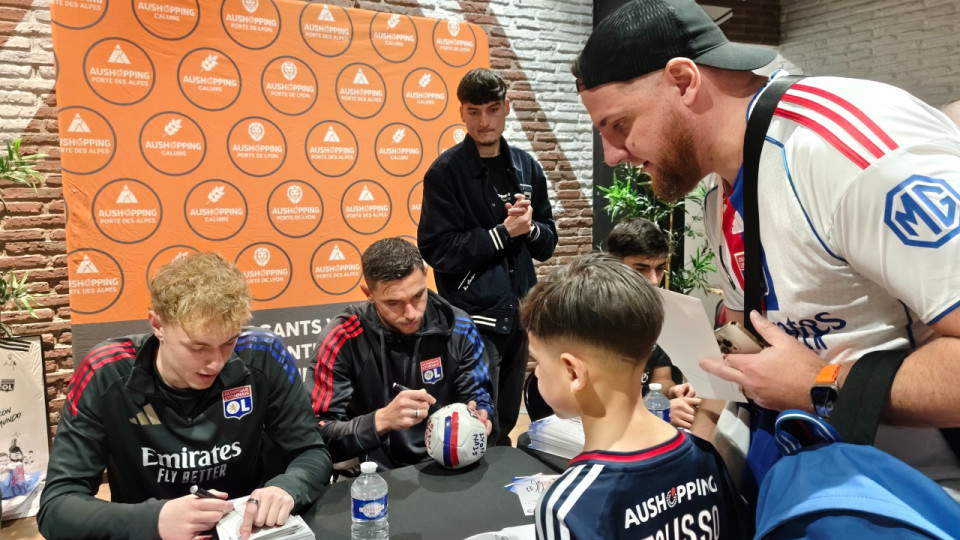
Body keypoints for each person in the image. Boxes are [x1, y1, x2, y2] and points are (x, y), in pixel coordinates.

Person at [573, 0, 960, 500]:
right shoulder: (723, 193)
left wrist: (824, 383)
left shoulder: (843, 154)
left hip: (917, 502)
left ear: (685, 80)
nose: (612, 155)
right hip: (816, 486)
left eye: (619, 125)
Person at [38, 252, 332, 540]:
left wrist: (286, 488)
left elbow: (311, 451)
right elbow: (57, 508)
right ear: (158, 326)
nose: (216, 362)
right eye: (198, 347)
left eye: (228, 342)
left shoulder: (263, 352)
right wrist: (154, 520)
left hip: (243, 531)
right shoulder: (104, 372)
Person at [522, 253, 753, 539]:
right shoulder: (706, 458)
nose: (538, 374)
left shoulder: (567, 507)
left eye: (538, 362)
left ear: (573, 372)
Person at [418, 67, 557, 445]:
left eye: (493, 109)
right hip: (472, 319)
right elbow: (437, 251)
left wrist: (530, 228)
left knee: (509, 415)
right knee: (477, 418)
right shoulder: (445, 173)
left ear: (507, 108)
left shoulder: (526, 165)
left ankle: (503, 486)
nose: (484, 121)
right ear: (462, 112)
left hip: (520, 314)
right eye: (474, 111)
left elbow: (547, 244)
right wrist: (501, 234)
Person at [305, 237, 494, 472]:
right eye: (393, 302)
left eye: (418, 295)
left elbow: (478, 397)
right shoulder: (343, 337)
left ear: (426, 275)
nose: (411, 313)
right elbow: (316, 434)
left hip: (449, 464)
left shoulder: (459, 327)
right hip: (374, 473)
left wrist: (482, 415)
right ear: (369, 294)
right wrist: (379, 421)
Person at [607, 217, 701, 428]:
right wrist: (655, 411)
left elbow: (662, 377)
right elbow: (589, 400)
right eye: (641, 269)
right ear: (614, 265)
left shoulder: (658, 314)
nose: (654, 280)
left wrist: (671, 392)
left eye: (659, 268)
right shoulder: (593, 314)